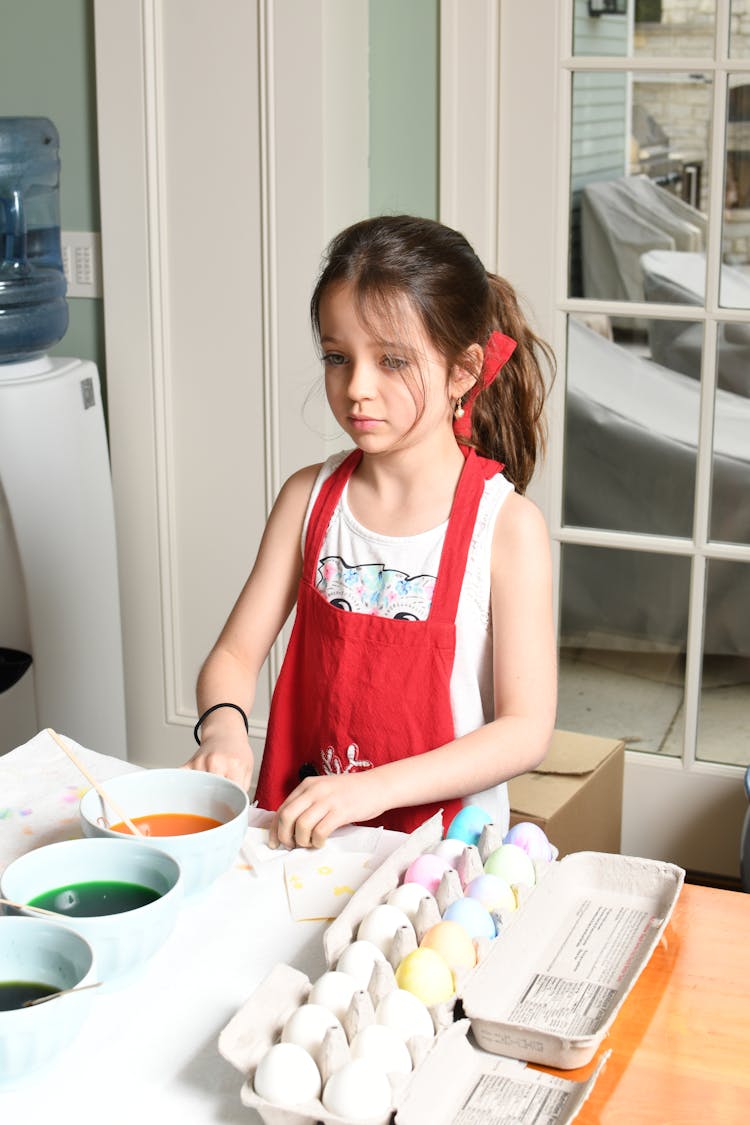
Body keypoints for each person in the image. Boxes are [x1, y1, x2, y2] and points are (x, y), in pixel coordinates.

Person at [185, 215, 557, 849]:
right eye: (337, 357)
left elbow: (524, 731)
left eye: (391, 361)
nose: (356, 387)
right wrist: (222, 728)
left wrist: (369, 789)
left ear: (463, 370)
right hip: (304, 839)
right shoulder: (308, 500)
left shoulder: (506, 528)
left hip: (441, 859)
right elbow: (234, 656)